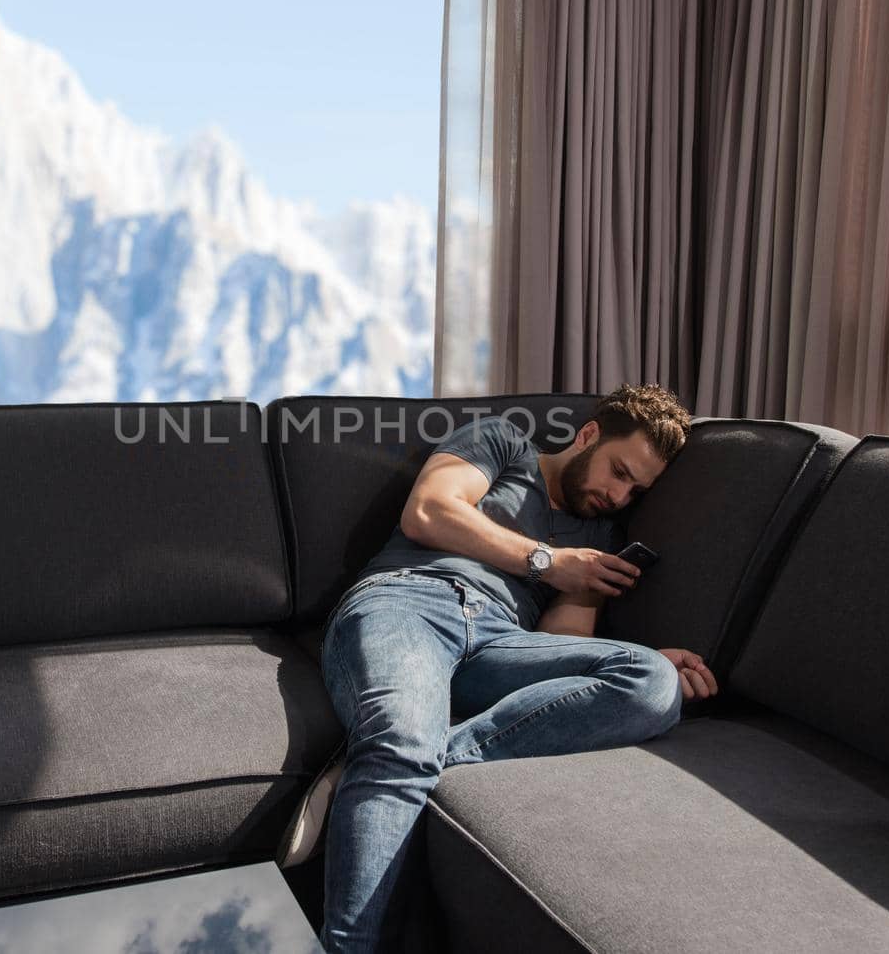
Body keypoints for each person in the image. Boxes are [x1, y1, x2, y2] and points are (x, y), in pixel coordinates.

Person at [279, 384, 717, 953]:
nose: (619, 493)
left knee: (653, 684)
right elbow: (429, 511)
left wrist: (642, 660)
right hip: (409, 602)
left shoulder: (600, 537)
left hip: (501, 645)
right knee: (404, 740)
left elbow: (557, 649)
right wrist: (548, 562)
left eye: (636, 488)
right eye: (618, 470)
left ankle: (383, 765)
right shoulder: (503, 441)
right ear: (588, 436)